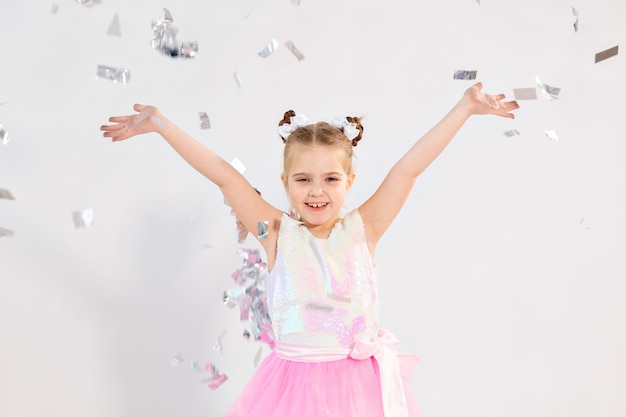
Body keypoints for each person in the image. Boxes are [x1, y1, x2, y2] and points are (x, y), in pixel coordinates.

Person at [101, 82, 519, 416]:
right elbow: (226, 177)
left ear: (349, 182)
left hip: (360, 394)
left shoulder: (364, 229)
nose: (316, 191)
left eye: (331, 180)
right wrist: (161, 124)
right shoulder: (275, 234)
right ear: (285, 182)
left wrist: (464, 108)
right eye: (303, 179)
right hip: (290, 390)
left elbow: (408, 169)